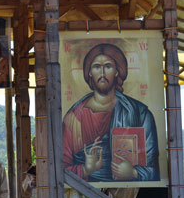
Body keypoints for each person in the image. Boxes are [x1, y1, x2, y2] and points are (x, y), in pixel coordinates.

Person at [62, 43, 159, 182]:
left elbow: (154, 170)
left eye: (108, 66)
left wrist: (134, 173)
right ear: (89, 72)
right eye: (96, 67)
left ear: (117, 71)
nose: (102, 73)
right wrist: (85, 170)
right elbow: (61, 169)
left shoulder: (140, 114)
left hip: (130, 197)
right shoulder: (73, 118)